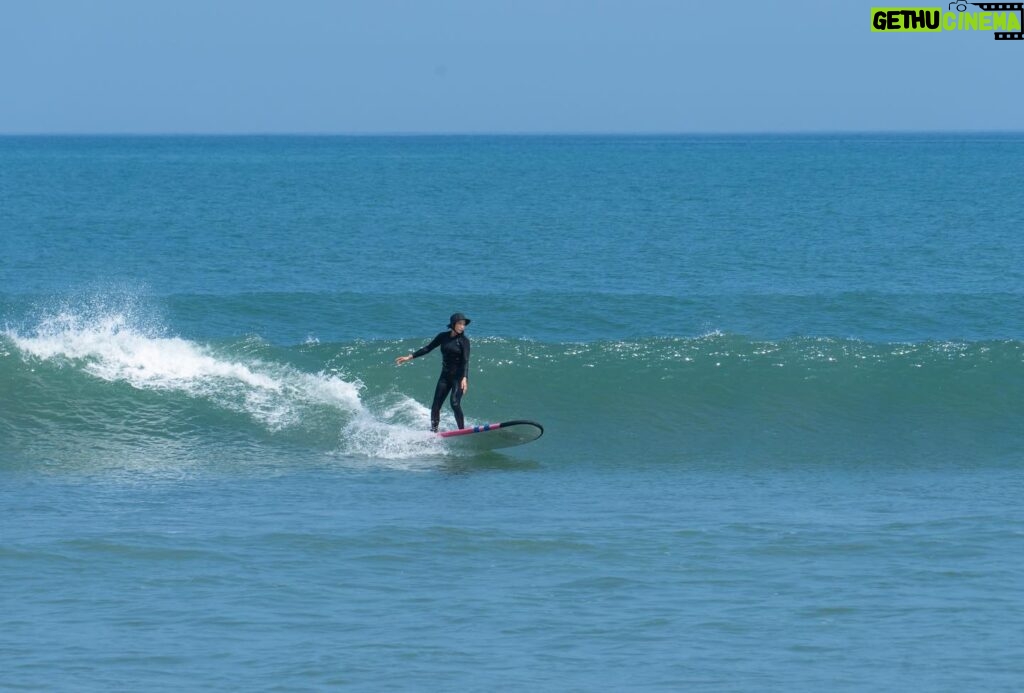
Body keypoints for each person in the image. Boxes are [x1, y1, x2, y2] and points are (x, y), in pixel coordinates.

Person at [395, 313, 471, 432]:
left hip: (458, 377)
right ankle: (434, 432)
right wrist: (410, 357)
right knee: (435, 406)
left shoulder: (464, 341)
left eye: (464, 324)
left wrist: (465, 378)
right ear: (453, 324)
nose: (463, 327)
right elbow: (428, 348)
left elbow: (466, 360)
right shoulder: (443, 336)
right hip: (445, 376)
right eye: (460, 324)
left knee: (455, 403)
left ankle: (462, 431)